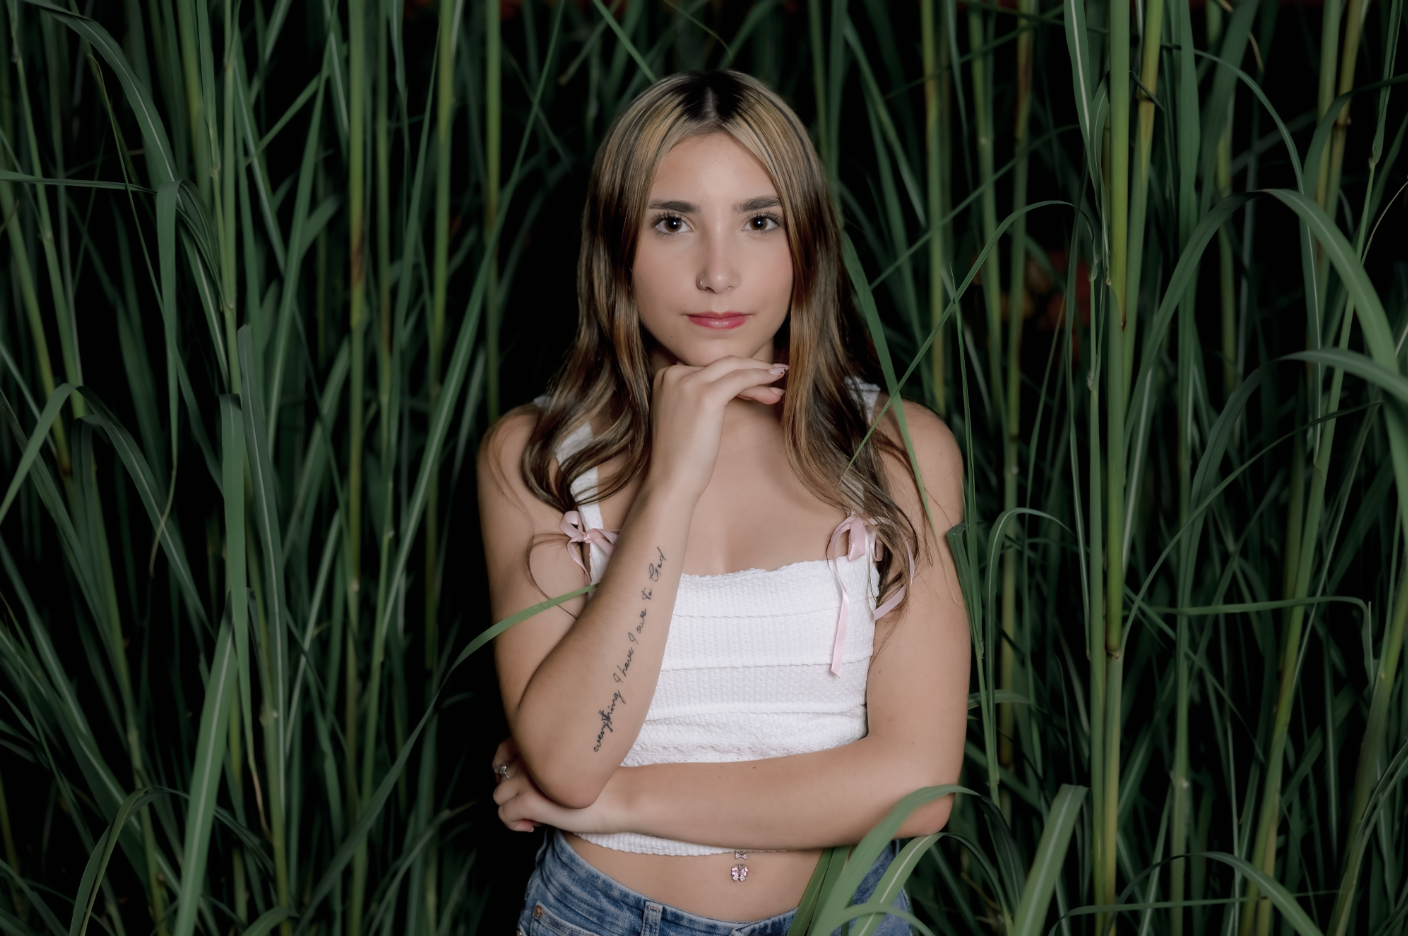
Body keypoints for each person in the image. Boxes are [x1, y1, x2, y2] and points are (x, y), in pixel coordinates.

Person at [478, 70, 969, 936]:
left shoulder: (896, 451)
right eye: (673, 222)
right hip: (602, 918)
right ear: (617, 245)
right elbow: (564, 757)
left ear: (806, 242)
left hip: (844, 917)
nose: (717, 272)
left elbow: (918, 785)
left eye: (759, 220)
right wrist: (671, 481)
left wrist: (616, 800)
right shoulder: (538, 460)